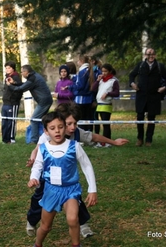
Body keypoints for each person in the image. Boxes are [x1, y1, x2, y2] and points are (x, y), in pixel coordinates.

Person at [26, 102, 129, 238]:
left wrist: (114, 142)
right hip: (48, 176)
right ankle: (31, 222)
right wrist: (33, 159)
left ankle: (83, 225)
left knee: (75, 199)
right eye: (69, 124)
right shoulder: (49, 133)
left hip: (67, 179)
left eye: (75, 123)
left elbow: (94, 137)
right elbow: (38, 149)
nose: (73, 127)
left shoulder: (77, 133)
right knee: (39, 198)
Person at [28, 111, 98, 247]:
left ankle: (76, 245)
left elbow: (87, 166)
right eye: (52, 128)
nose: (57, 131)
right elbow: (37, 166)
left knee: (73, 220)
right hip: (51, 191)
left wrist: (92, 189)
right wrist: (33, 178)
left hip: (71, 190)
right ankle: (37, 244)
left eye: (60, 127)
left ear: (65, 128)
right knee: (45, 226)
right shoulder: (43, 148)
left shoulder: (74, 146)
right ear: (46, 131)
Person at [129, 48, 166, 147]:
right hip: (141, 95)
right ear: (145, 55)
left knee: (151, 118)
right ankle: (140, 139)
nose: (150, 56)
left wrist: (164, 87)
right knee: (140, 117)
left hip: (154, 96)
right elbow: (131, 75)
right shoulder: (140, 65)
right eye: (148, 55)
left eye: (152, 54)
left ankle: (149, 140)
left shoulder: (160, 66)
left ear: (155, 55)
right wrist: (132, 84)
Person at [6, 65, 53, 144]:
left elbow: (21, 89)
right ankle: (47, 138)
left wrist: (10, 86)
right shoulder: (34, 76)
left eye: (22, 72)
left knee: (34, 119)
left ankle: (34, 140)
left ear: (26, 72)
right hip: (46, 100)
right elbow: (25, 84)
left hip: (43, 102)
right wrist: (14, 82)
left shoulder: (33, 78)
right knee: (43, 120)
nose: (21, 74)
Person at [91, 63, 120, 147]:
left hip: (106, 104)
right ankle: (98, 141)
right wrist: (97, 80)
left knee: (105, 124)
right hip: (99, 104)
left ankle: (107, 141)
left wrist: (108, 93)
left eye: (105, 71)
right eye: (102, 71)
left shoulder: (114, 81)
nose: (103, 73)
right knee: (96, 123)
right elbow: (93, 89)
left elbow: (117, 93)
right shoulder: (101, 80)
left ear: (110, 71)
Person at [68, 55, 95, 131]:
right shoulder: (90, 70)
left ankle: (83, 135)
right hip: (89, 98)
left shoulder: (82, 71)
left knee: (81, 118)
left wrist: (71, 87)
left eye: (78, 61)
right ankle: (89, 134)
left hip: (81, 99)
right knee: (88, 117)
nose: (77, 62)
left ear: (82, 61)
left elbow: (80, 86)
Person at [1, 61, 23, 144]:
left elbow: (20, 85)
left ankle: (11, 138)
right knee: (4, 122)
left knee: (11, 122)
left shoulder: (16, 77)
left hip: (13, 103)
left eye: (9, 68)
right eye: (6, 68)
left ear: (13, 68)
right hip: (5, 103)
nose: (7, 69)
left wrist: (13, 83)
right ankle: (4, 138)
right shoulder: (6, 77)